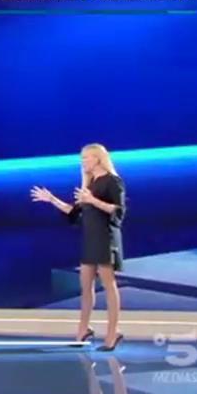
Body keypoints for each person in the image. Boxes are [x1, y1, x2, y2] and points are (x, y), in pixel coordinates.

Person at [31, 143, 126, 351]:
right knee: (86, 286)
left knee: (109, 285)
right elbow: (75, 213)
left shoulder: (113, 181)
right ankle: (83, 330)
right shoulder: (90, 184)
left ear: (97, 159)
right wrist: (52, 199)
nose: (82, 162)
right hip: (90, 239)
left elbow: (118, 212)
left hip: (106, 239)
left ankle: (113, 333)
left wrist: (92, 200)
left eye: (85, 158)